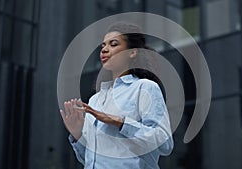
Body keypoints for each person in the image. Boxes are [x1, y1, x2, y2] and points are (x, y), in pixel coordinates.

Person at [59, 22, 174, 169]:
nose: (105, 50)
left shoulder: (144, 87)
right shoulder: (95, 100)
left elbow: (165, 143)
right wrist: (78, 135)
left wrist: (120, 122)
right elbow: (89, 161)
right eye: (103, 46)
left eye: (113, 44)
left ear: (132, 52)